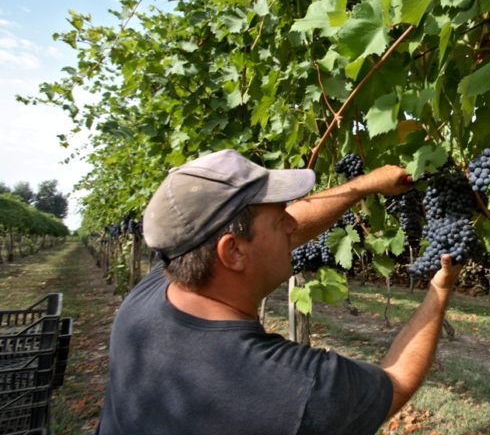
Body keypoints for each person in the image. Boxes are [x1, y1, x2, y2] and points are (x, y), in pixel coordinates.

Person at [98, 149, 462, 434]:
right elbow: (395, 381)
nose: (292, 223)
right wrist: (440, 290)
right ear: (233, 252)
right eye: (279, 217)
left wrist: (362, 186)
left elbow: (282, 230)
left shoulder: (146, 300)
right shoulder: (293, 387)